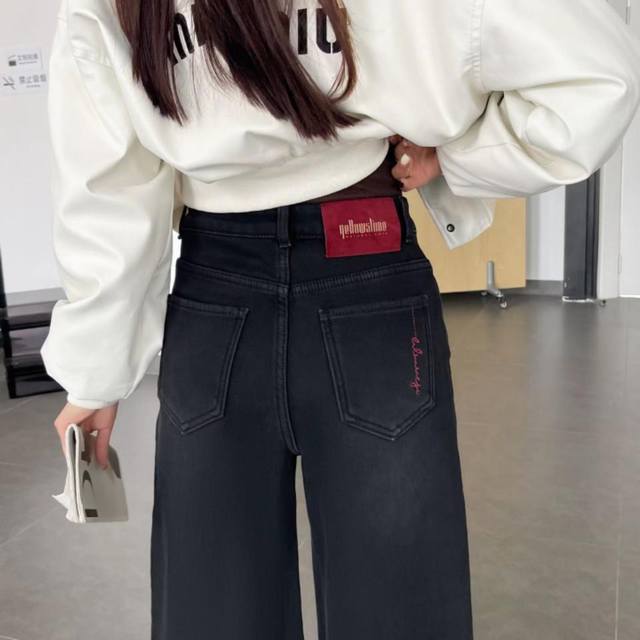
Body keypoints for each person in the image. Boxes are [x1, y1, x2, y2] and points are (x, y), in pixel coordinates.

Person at [42, 0, 640, 638]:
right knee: (400, 609)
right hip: (365, 261)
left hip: (218, 291)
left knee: (212, 605)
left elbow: (110, 183)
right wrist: (461, 157)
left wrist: (96, 373)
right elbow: (597, 74)